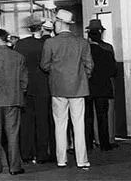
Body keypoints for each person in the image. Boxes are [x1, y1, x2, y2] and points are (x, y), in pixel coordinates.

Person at [40, 9, 93, 170]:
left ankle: (61, 160)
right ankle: (81, 160)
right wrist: (81, 77)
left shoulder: (50, 43)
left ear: (60, 23)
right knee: (79, 125)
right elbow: (89, 65)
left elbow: (44, 65)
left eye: (55, 22)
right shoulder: (82, 42)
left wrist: (56, 72)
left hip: (58, 88)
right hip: (78, 89)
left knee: (60, 125)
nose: (54, 25)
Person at [0, 29, 28, 175]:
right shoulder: (18, 57)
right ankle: (15, 167)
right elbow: (24, 81)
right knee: (13, 134)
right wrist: (18, 92)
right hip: (13, 100)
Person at [15, 15, 52, 164]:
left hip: (25, 87)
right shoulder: (45, 44)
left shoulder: (20, 45)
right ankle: (42, 154)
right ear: (41, 28)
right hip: (43, 86)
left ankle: (26, 153)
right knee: (42, 121)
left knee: (26, 121)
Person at [85, 22, 117, 152]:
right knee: (103, 116)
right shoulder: (108, 49)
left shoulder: (84, 49)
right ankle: (105, 144)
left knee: (87, 117)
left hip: (87, 87)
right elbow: (113, 71)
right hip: (103, 88)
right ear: (100, 32)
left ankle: (88, 144)